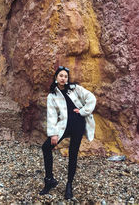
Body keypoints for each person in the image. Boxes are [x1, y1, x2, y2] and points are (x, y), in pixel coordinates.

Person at [39, 66, 96, 199]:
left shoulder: (75, 89)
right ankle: (49, 180)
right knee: (46, 147)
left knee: (73, 153)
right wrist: (53, 133)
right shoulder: (52, 95)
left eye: (65, 76)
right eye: (61, 76)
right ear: (56, 77)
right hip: (63, 126)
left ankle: (69, 185)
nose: (63, 78)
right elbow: (52, 115)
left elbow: (91, 98)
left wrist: (83, 111)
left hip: (78, 124)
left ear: (67, 78)